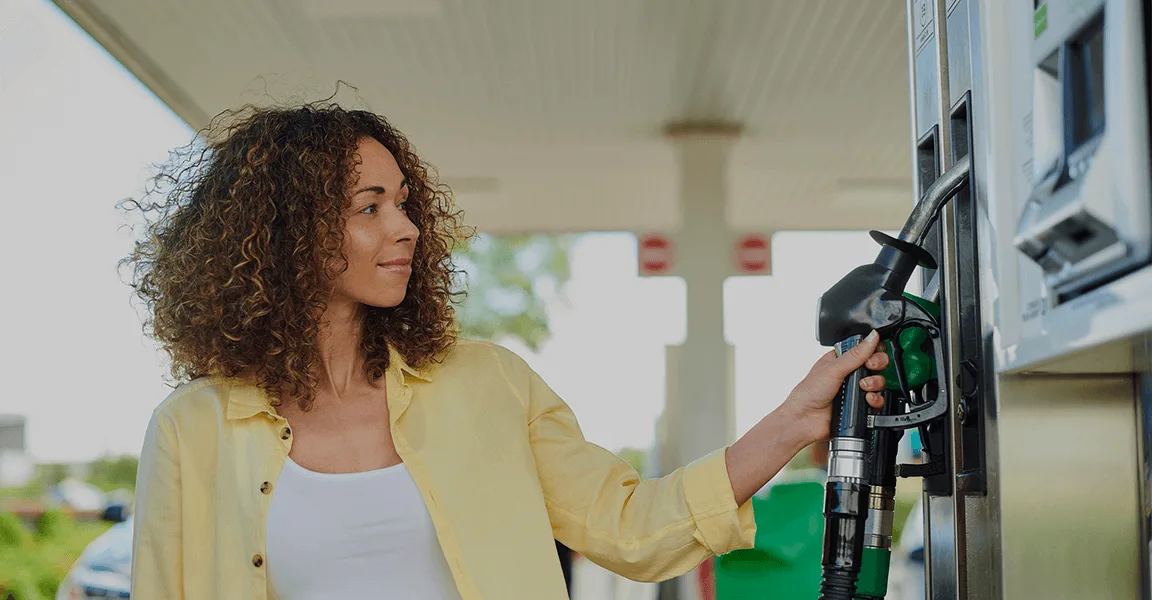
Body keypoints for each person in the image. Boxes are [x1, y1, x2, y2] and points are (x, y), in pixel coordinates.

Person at [124, 102, 889, 600]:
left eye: (403, 202)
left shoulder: (487, 383)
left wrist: (793, 421)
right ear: (288, 237)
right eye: (369, 207)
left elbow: (634, 525)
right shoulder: (193, 430)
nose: (407, 226)